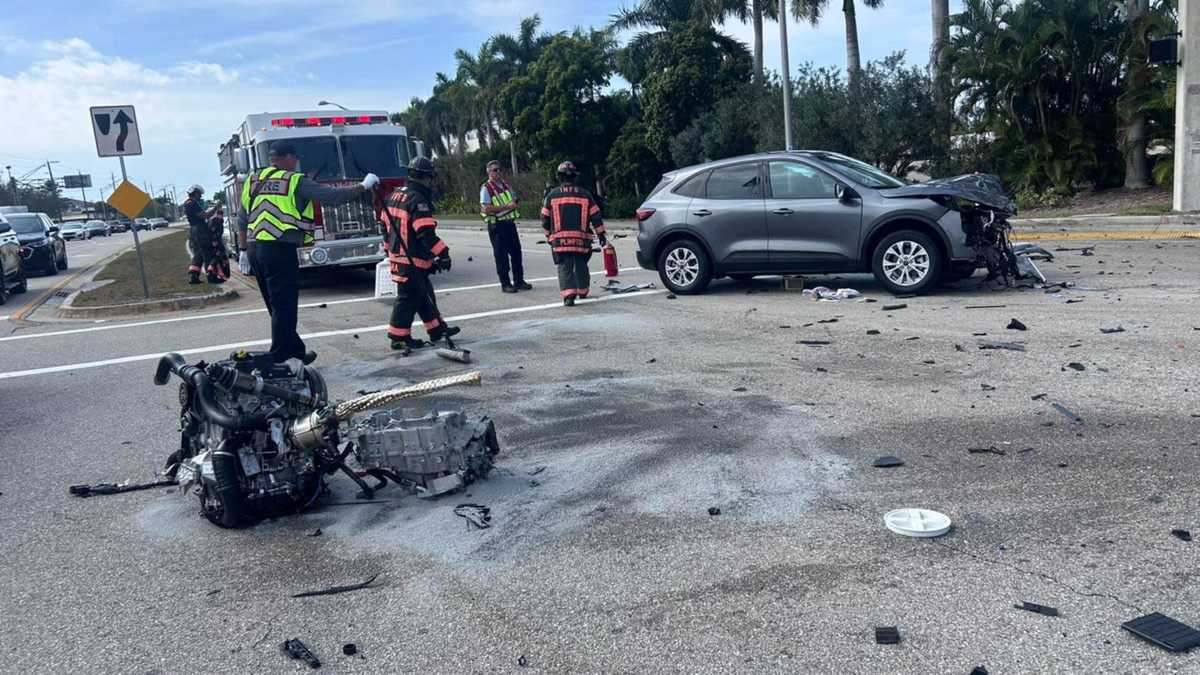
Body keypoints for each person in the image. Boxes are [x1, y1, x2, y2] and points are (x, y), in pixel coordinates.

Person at [238, 142, 378, 364]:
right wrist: (364, 186)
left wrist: (243, 250)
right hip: (278, 250)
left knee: (275, 306)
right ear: (288, 157)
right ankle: (279, 358)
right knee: (284, 307)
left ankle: (295, 351)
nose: (296, 163)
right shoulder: (295, 181)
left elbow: (242, 218)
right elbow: (333, 198)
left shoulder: (253, 181)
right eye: (295, 158)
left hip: (256, 249)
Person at [381, 156, 460, 352]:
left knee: (423, 293)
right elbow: (425, 232)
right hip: (411, 257)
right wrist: (443, 253)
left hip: (399, 254)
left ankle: (436, 329)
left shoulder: (394, 195)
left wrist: (388, 249)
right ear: (426, 177)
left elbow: (383, 225)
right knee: (408, 298)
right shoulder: (417, 199)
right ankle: (399, 337)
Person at [542, 161, 606, 306]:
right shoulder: (585, 194)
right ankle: (583, 291)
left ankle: (569, 296)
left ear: (559, 177)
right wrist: (601, 235)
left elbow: (544, 218)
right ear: (574, 177)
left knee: (565, 266)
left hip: (560, 241)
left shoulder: (552, 195)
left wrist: (548, 236)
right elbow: (596, 216)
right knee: (581, 264)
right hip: (581, 240)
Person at [480, 160, 530, 293]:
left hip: (509, 223)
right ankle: (505, 283)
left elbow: (514, 198)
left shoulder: (505, 185)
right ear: (489, 172)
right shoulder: (486, 188)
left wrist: (515, 203)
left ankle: (519, 281)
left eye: (499, 169)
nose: (498, 172)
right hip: (497, 225)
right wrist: (507, 206)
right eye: (495, 170)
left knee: (516, 253)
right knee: (501, 256)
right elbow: (486, 208)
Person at [184, 185, 220, 284]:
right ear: (195, 193)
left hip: (193, 231)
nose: (200, 196)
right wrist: (215, 208)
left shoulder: (187, 203)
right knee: (208, 252)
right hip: (200, 230)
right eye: (199, 194)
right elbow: (205, 216)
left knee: (198, 255)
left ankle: (193, 276)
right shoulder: (193, 204)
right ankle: (211, 276)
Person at [205, 206, 231, 283]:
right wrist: (215, 241)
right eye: (221, 214)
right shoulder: (216, 220)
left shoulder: (214, 220)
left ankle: (216, 272)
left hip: (214, 241)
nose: (221, 216)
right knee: (218, 256)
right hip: (215, 241)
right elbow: (213, 232)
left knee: (219, 256)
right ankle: (212, 271)